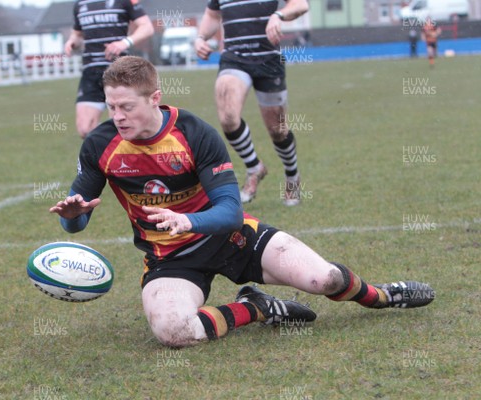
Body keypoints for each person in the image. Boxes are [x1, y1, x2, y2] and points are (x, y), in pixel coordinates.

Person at [49, 56, 435, 348]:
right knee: (173, 332)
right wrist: (73, 218)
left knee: (324, 279)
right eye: (111, 106)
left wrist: (189, 221)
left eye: (126, 107)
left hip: (231, 237)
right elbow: (78, 218)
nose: (117, 116)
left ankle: (384, 296)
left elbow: (230, 212)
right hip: (170, 259)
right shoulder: (100, 145)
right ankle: (257, 307)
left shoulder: (195, 133)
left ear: (154, 98)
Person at [194, 0, 309, 204]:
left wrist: (278, 15)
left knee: (278, 130)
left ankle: (292, 176)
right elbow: (212, 15)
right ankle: (254, 167)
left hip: (268, 60)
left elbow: (301, 5)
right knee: (228, 118)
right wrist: (201, 37)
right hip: (234, 58)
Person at [64, 0, 154, 139]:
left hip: (118, 71)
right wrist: (72, 42)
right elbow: (77, 34)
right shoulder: (80, 4)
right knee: (85, 128)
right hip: (91, 72)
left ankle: (128, 156)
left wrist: (124, 43)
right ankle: (107, 152)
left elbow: (147, 27)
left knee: (121, 125)